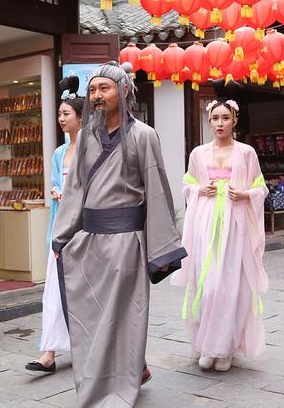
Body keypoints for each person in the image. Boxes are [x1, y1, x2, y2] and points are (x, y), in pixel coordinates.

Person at [51, 61, 187, 407]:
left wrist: (161, 249)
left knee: (125, 319)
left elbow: (157, 190)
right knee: (91, 318)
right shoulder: (86, 138)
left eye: (104, 89)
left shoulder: (144, 135)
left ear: (123, 91)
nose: (96, 96)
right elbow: (75, 189)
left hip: (127, 243)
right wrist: (62, 236)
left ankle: (121, 383)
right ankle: (99, 382)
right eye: (93, 90)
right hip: (91, 242)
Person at [172, 79, 269, 372]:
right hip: (205, 224)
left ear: (235, 120)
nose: (220, 122)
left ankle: (225, 348)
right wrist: (201, 188)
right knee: (207, 284)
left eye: (225, 117)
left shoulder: (246, 152)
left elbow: (260, 187)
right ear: (209, 119)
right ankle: (205, 344)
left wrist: (245, 194)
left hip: (235, 224)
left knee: (229, 286)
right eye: (215, 117)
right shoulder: (198, 153)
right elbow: (187, 183)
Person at [26, 76, 82, 373]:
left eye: (66, 114)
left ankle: (86, 345)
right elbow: (57, 183)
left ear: (80, 117)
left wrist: (73, 194)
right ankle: (48, 352)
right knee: (54, 290)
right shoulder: (59, 153)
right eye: (59, 114)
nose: (61, 119)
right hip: (60, 227)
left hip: (84, 231)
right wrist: (58, 192)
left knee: (84, 291)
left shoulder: (91, 149)